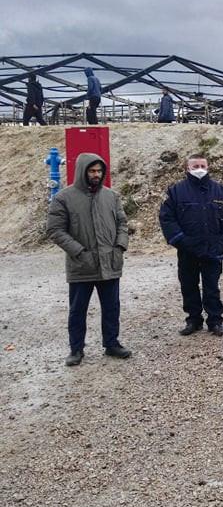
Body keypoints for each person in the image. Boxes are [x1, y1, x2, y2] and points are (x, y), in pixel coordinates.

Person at [46, 153, 132, 366]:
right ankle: (76, 350)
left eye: (99, 171)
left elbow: (122, 222)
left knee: (112, 307)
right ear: (83, 171)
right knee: (77, 310)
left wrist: (120, 246)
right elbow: (55, 230)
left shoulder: (111, 196)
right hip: (81, 265)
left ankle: (111, 343)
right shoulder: (64, 198)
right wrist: (78, 251)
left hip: (109, 262)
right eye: (92, 171)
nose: (96, 174)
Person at [159, 153, 223, 337]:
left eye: (202, 165)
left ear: (208, 167)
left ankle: (215, 321)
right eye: (195, 166)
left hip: (213, 249)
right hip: (187, 250)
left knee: (212, 286)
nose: (199, 169)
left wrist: (222, 239)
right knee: (188, 285)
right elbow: (167, 219)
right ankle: (193, 320)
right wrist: (181, 241)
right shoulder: (176, 192)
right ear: (187, 169)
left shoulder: (220, 191)